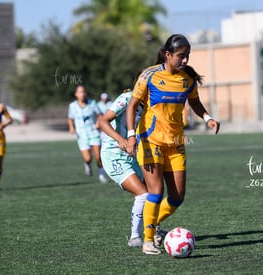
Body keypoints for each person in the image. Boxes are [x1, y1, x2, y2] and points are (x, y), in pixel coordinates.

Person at [125, 34, 220, 255]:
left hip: (176, 143)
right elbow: (132, 106)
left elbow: (195, 101)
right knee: (156, 192)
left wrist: (208, 118)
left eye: (187, 56)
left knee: (177, 197)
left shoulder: (187, 79)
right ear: (168, 55)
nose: (185, 60)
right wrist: (131, 136)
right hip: (151, 141)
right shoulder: (149, 75)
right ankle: (148, 240)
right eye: (180, 56)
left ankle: (152, 223)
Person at [99, 88, 147, 247]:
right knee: (143, 194)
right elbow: (103, 121)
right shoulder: (127, 98)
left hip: (133, 154)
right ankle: (134, 237)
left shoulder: (149, 103)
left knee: (154, 193)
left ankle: (153, 230)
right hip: (114, 154)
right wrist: (121, 140)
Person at [68, 85, 108, 183]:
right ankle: (87, 164)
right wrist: (71, 127)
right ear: (76, 94)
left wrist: (99, 123)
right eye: (80, 92)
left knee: (98, 156)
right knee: (88, 158)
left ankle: (101, 175)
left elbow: (100, 115)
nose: (82, 94)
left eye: (84, 92)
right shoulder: (72, 106)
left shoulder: (92, 103)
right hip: (81, 135)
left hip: (94, 133)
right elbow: (70, 118)